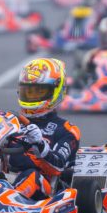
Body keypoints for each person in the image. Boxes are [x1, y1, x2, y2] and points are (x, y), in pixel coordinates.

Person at [9, 57, 81, 201]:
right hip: (6, 180)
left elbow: (58, 166)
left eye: (38, 91)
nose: (32, 96)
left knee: (31, 175)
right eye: (28, 91)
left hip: (45, 186)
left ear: (56, 91)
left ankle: (10, 201)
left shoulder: (67, 130)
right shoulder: (11, 122)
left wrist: (40, 144)